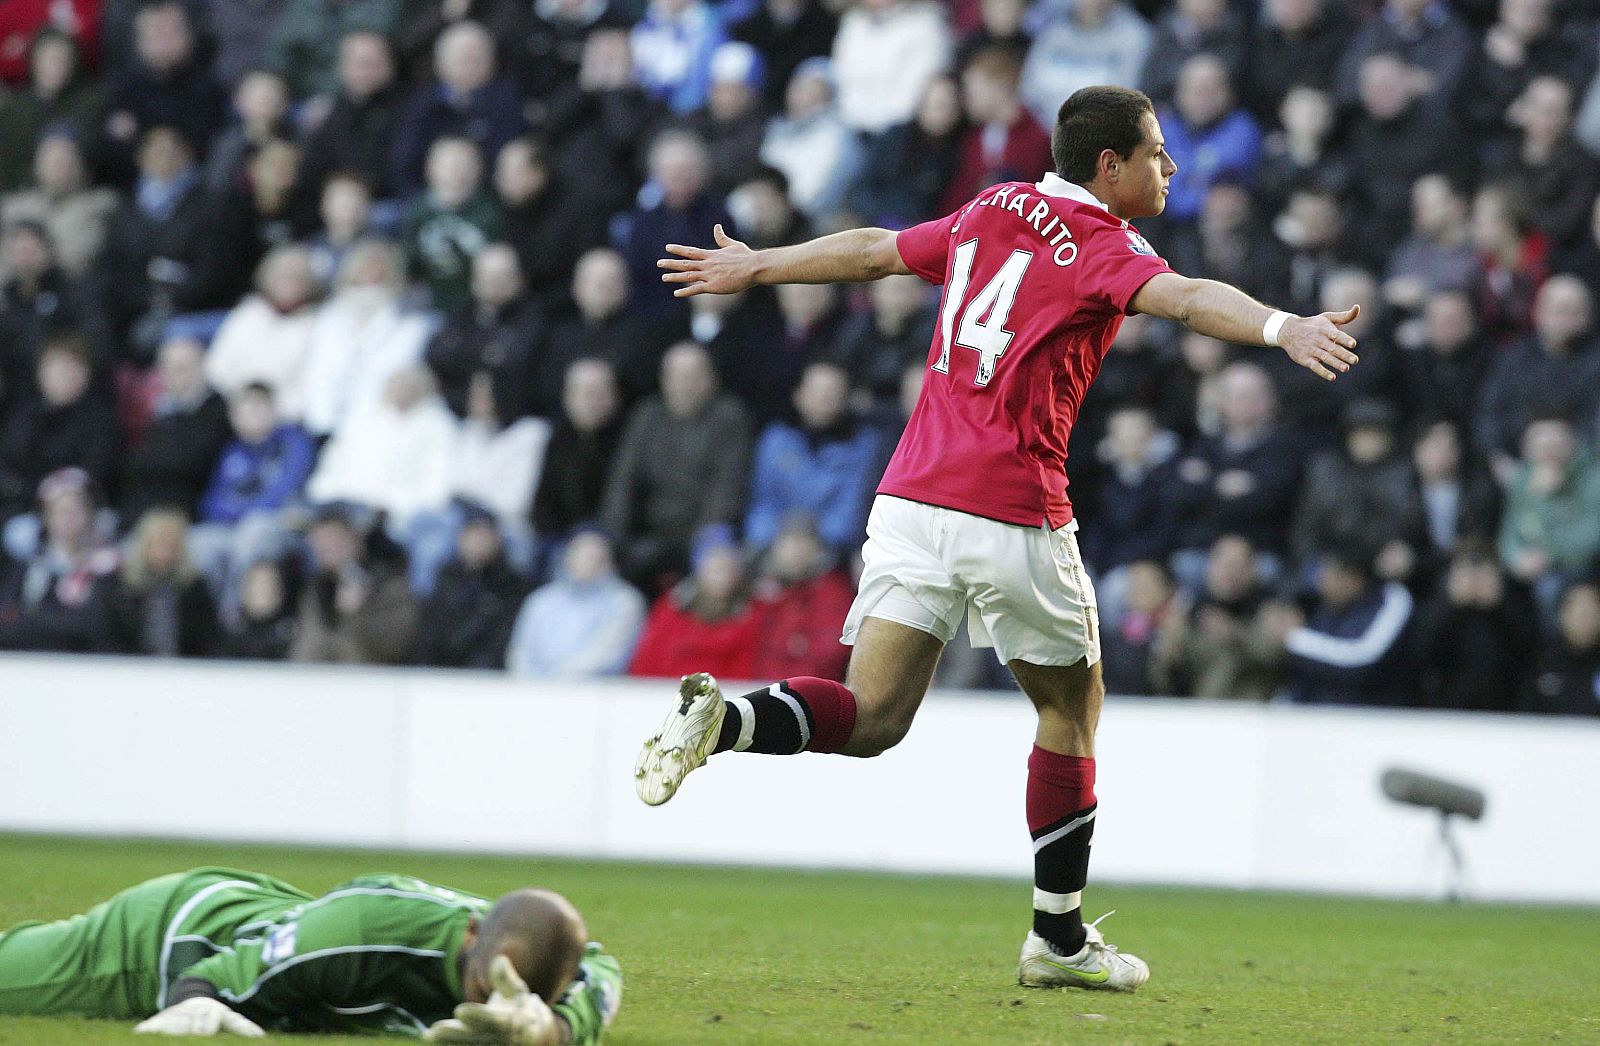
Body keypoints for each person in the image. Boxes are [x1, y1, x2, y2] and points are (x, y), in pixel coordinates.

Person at [636, 84, 1360, 991]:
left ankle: (726, 719)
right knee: (1071, 710)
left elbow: (873, 252)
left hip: (909, 499)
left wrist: (759, 268)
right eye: (1157, 154)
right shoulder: (1106, 243)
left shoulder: (991, 206)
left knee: (871, 718)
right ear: (1110, 165)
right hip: (1013, 508)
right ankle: (1056, 940)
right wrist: (1283, 326)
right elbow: (1182, 298)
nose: (1169, 169)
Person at [0, 866, 621, 1043]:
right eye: (487, 987)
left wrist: (553, 1031)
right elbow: (219, 973)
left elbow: (602, 968)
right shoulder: (364, 930)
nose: (493, 1003)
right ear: (470, 935)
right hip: (169, 937)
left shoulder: (522, 942)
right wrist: (196, 1006)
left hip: (268, 918)